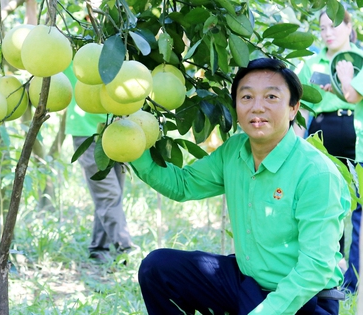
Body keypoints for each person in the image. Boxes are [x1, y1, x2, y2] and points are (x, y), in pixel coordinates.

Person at [132, 58, 350, 314]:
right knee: (157, 268)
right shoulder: (234, 152)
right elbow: (183, 185)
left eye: (271, 97)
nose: (257, 107)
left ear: (293, 109)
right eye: (246, 97)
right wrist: (132, 146)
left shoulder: (316, 173)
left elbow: (315, 267)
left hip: (304, 299)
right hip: (248, 284)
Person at [296, 9, 363, 294]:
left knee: (358, 209)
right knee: (326, 207)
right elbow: (298, 110)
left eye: (333, 26)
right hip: (321, 136)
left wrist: (344, 76)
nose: (327, 33)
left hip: (356, 136)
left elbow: (353, 95)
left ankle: (355, 279)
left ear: (349, 26)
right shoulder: (311, 63)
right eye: (322, 28)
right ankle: (331, 275)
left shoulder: (359, 60)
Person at [64, 66, 136, 263]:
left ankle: (98, 247)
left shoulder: (118, 44)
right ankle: (126, 248)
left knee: (113, 194)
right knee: (108, 194)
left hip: (118, 129)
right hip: (88, 132)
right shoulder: (78, 48)